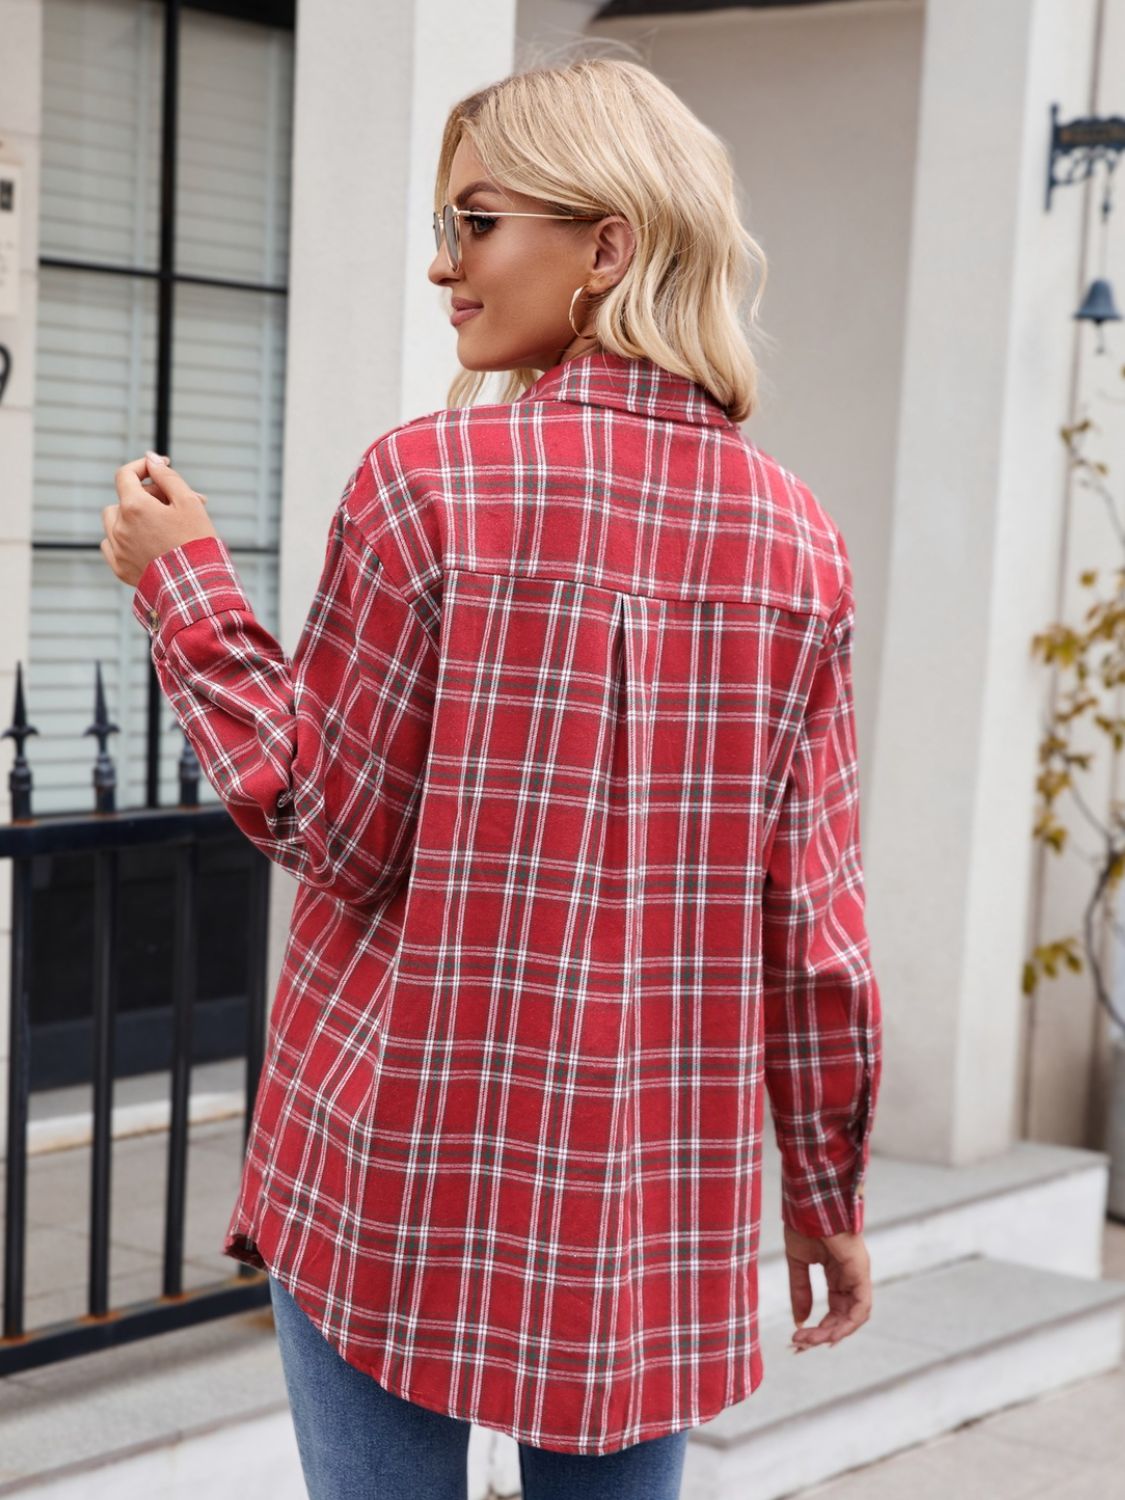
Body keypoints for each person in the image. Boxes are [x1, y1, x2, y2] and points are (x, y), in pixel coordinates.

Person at [100, 52, 883, 1500]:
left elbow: (325, 824)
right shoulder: (800, 546)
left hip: (398, 1163)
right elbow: (814, 927)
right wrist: (822, 1191)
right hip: (647, 1202)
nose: (440, 267)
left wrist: (185, 593)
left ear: (610, 245)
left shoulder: (429, 484)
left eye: (475, 223)